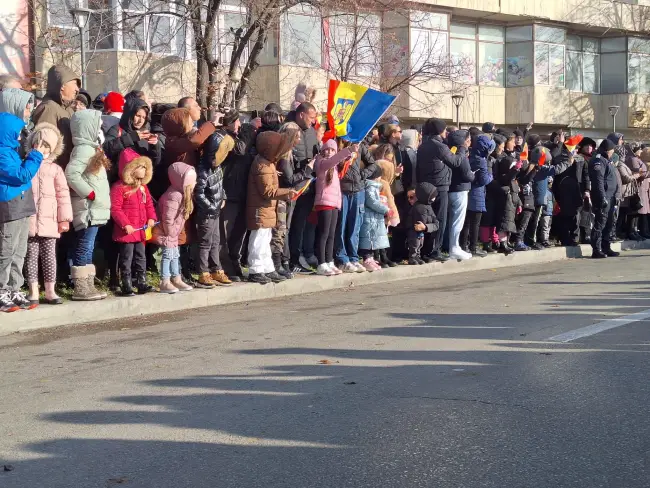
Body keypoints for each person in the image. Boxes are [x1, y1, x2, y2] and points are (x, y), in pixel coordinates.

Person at [0, 112, 46, 312]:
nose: (20, 137)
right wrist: (36, 155)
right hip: (10, 206)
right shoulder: (2, 154)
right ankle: (1, 290)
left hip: (22, 204)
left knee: (20, 251)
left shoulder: (12, 150)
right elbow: (21, 175)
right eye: (17, 133)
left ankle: (14, 288)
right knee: (6, 251)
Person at [23, 123, 72, 306]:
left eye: (46, 146)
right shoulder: (26, 164)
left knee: (49, 255)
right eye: (39, 144)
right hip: (29, 219)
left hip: (50, 220)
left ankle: (50, 289)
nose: (42, 149)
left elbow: (63, 195)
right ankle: (33, 289)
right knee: (31, 256)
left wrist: (64, 219)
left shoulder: (55, 169)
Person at [65, 109, 111, 301]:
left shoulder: (92, 149)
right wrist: (89, 193)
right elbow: (71, 174)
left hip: (94, 208)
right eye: (98, 125)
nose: (100, 129)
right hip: (88, 209)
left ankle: (88, 284)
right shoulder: (84, 149)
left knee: (88, 247)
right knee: (84, 246)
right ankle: (81, 287)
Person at [194, 111, 238, 288]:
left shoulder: (217, 169)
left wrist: (223, 196)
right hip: (208, 211)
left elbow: (220, 184)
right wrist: (210, 207)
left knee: (216, 240)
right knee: (205, 241)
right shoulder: (203, 169)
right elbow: (198, 193)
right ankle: (203, 271)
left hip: (216, 208)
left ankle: (216, 268)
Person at [246, 131, 297, 284]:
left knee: (265, 238)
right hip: (260, 209)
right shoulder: (263, 165)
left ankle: (267, 268)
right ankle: (256, 269)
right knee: (258, 240)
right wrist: (287, 192)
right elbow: (267, 191)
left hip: (265, 209)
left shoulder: (267, 163)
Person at [416, 118, 466, 262]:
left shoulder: (423, 146)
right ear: (439, 131)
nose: (445, 132)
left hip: (426, 187)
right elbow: (455, 161)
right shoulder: (439, 146)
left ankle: (424, 250)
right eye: (444, 129)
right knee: (439, 219)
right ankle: (434, 250)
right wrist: (461, 149)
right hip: (440, 187)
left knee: (427, 218)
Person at [110, 148, 157, 296]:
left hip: (140, 230)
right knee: (126, 258)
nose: (143, 170)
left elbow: (149, 204)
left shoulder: (143, 188)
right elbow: (115, 208)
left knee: (141, 256)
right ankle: (126, 283)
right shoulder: (119, 187)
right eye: (140, 167)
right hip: (128, 232)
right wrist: (125, 224)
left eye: (145, 167)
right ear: (130, 169)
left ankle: (141, 281)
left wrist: (151, 218)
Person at [153, 107, 218, 198]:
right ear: (179, 125)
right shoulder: (173, 142)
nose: (192, 124)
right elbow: (194, 141)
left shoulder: (176, 139)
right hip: (181, 190)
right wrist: (212, 123)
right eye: (189, 121)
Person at [313, 139, 355, 276]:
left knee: (332, 234)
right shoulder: (320, 162)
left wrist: (351, 153)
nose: (329, 152)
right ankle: (321, 263)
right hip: (324, 203)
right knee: (323, 234)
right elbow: (333, 160)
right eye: (327, 149)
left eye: (332, 150)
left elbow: (340, 161)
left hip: (335, 203)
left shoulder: (336, 167)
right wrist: (347, 151)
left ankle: (329, 260)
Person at [273, 122, 310, 277]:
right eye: (297, 136)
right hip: (282, 197)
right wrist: (307, 170)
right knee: (280, 231)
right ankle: (278, 262)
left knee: (285, 231)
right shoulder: (284, 154)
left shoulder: (289, 153)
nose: (299, 139)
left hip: (288, 197)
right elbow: (289, 179)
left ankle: (284, 261)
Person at [153, 162, 196, 294]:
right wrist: (171, 233)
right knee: (167, 256)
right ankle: (164, 281)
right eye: (191, 180)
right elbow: (167, 218)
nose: (194, 183)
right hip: (166, 233)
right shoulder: (174, 196)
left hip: (173, 234)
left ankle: (176, 278)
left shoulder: (183, 194)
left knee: (175, 255)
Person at [220, 122, 255, 282]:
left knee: (238, 235)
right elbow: (239, 150)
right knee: (225, 234)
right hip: (230, 195)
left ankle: (234, 262)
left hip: (244, 196)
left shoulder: (253, 149)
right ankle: (224, 266)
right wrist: (246, 135)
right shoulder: (233, 143)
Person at [287, 102, 319, 274]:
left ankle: (298, 256)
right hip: (293, 186)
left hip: (308, 186)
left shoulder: (312, 132)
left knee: (301, 225)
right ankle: (290, 259)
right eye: (311, 117)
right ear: (301, 115)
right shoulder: (289, 128)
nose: (313, 121)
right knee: (290, 226)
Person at [31, 65, 80, 168]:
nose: (77, 89)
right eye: (75, 84)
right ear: (62, 85)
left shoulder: (68, 109)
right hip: (56, 171)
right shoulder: (48, 108)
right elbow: (45, 147)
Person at [526, 145, 573, 250]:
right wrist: (568, 162)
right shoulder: (540, 168)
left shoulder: (533, 166)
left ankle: (535, 240)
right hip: (539, 199)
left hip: (536, 198)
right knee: (536, 222)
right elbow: (557, 169)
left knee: (535, 221)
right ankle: (532, 241)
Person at [553, 137, 594, 246]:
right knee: (565, 215)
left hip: (578, 191)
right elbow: (556, 177)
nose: (575, 149)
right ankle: (564, 238)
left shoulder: (580, 159)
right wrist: (556, 193)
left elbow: (586, 176)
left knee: (576, 215)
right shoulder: (559, 159)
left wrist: (587, 189)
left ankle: (575, 237)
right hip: (564, 192)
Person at [103, 97, 162, 171]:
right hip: (120, 178)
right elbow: (106, 149)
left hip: (141, 179)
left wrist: (155, 146)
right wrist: (130, 138)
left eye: (144, 117)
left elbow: (154, 163)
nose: (141, 120)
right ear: (129, 115)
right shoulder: (117, 129)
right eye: (138, 116)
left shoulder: (145, 133)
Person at [462, 134, 494, 257]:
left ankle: (464, 246)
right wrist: (491, 176)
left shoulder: (471, 155)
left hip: (469, 191)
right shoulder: (481, 160)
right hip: (477, 193)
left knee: (467, 222)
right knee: (475, 223)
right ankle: (473, 247)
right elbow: (484, 179)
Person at [589, 139, 620, 259]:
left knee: (609, 223)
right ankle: (596, 249)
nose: (613, 153)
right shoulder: (598, 160)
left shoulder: (608, 160)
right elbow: (598, 181)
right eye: (612, 150)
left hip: (611, 196)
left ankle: (606, 246)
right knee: (600, 223)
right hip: (603, 196)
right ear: (608, 150)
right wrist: (602, 197)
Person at [447, 129, 474, 260]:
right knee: (457, 221)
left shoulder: (450, 151)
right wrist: (474, 175)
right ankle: (454, 247)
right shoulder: (461, 154)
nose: (469, 141)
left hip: (451, 189)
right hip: (460, 190)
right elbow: (467, 174)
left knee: (452, 220)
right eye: (468, 139)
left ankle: (452, 246)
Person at [358, 165, 390, 272]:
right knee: (368, 239)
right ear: (376, 177)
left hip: (373, 218)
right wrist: (386, 209)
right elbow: (372, 201)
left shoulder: (373, 187)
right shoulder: (370, 186)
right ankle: (367, 259)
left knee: (371, 240)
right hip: (369, 218)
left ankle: (370, 258)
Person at [407, 182, 438, 265]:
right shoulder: (418, 207)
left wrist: (425, 226)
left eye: (412, 197)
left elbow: (435, 223)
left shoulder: (427, 206)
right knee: (414, 244)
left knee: (419, 244)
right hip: (414, 230)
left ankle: (417, 256)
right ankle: (413, 257)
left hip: (421, 231)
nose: (409, 200)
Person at [626, 145, 650, 239]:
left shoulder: (639, 160)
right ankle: (634, 231)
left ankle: (638, 231)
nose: (641, 152)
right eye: (639, 150)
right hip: (639, 188)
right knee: (637, 211)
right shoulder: (634, 160)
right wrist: (647, 172)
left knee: (641, 212)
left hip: (644, 188)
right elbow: (640, 174)